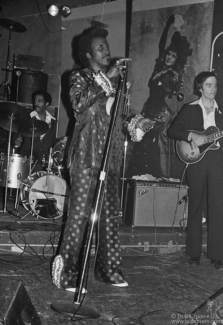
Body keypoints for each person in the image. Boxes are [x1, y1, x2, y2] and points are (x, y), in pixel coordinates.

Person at [51, 25, 153, 292]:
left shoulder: (119, 85)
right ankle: (66, 274)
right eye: (100, 47)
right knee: (79, 217)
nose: (106, 50)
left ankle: (107, 269)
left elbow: (118, 120)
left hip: (112, 158)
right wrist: (104, 78)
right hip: (86, 156)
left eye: (106, 47)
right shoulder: (79, 77)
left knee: (109, 216)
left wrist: (136, 126)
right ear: (88, 54)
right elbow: (78, 104)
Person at [168, 71, 223, 269]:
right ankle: (193, 253)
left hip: (218, 161)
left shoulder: (221, 111)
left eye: (215, 85)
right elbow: (172, 131)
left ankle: (217, 254)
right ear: (200, 87)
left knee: (218, 207)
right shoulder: (189, 109)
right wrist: (191, 134)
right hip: (196, 160)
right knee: (196, 205)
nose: (213, 89)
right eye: (209, 85)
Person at [127, 14, 192, 179]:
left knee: (154, 145)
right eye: (169, 54)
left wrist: (167, 114)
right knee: (143, 142)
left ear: (178, 59)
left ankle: (155, 178)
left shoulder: (173, 74)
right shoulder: (159, 67)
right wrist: (169, 23)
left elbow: (174, 97)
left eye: (174, 56)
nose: (170, 57)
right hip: (149, 108)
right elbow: (162, 44)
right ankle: (141, 178)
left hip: (161, 113)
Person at [13, 90, 57, 173]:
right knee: (36, 167)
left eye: (40, 101)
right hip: (28, 156)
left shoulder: (53, 121)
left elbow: (53, 141)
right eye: (35, 100)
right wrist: (16, 142)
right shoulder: (27, 118)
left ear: (46, 104)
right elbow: (15, 137)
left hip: (45, 158)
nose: (36, 103)